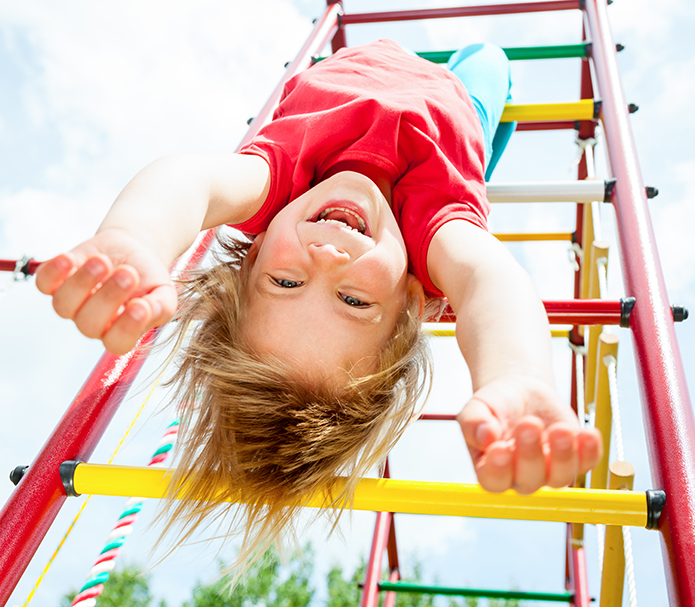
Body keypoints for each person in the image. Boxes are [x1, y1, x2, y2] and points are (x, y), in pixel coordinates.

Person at [35, 40, 602, 562]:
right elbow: (488, 279)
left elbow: (190, 181)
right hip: (460, 101)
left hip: (355, 62)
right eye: (354, 301)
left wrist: (138, 238)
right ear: (411, 301)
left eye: (285, 282)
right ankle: (485, 127)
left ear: (254, 255)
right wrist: (516, 372)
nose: (327, 260)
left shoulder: (271, 184)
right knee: (490, 59)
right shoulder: (434, 234)